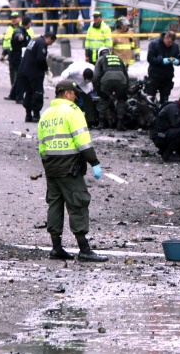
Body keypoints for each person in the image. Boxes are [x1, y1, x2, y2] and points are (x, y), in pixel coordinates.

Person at [38, 79, 108, 263]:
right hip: (69, 167)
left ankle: (56, 247)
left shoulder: (46, 114)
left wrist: (47, 164)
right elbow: (83, 140)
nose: (76, 97)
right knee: (78, 203)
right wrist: (94, 162)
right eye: (75, 93)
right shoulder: (72, 111)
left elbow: (42, 145)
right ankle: (84, 249)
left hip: (51, 166)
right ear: (67, 93)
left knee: (55, 204)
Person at [16, 32, 57, 122]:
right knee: (37, 92)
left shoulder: (34, 40)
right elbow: (40, 59)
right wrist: (46, 69)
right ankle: (36, 115)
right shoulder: (42, 43)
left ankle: (28, 114)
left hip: (24, 71)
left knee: (28, 92)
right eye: (52, 42)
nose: (51, 44)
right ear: (49, 38)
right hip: (34, 72)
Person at [93, 47, 129, 131]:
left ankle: (101, 124)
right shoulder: (118, 58)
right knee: (121, 99)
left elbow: (96, 76)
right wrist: (125, 90)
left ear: (99, 54)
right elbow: (125, 74)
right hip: (121, 80)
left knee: (104, 99)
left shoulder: (101, 59)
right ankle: (120, 124)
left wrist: (99, 91)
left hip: (106, 80)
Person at [5, 15, 35, 103]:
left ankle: (13, 95)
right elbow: (17, 37)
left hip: (17, 57)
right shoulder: (20, 32)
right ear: (28, 23)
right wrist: (19, 38)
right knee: (21, 77)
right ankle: (19, 97)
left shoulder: (24, 31)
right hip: (17, 57)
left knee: (19, 77)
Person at [146, 31, 180, 104]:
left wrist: (177, 61)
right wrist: (161, 60)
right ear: (165, 38)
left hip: (167, 76)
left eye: (171, 43)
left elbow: (178, 58)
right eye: (169, 42)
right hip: (155, 75)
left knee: (165, 99)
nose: (170, 44)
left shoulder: (174, 46)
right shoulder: (154, 44)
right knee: (150, 99)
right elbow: (150, 59)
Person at [59, 61, 96, 126]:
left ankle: (89, 121)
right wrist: (61, 87)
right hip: (71, 79)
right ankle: (67, 118)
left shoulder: (94, 69)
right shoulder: (75, 69)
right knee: (69, 98)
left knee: (88, 99)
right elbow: (64, 75)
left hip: (83, 85)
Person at [0, 11, 21, 91]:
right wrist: (3, 53)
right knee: (12, 72)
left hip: (20, 53)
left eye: (15, 18)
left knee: (20, 72)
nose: (14, 20)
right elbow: (6, 42)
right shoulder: (8, 29)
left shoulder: (22, 28)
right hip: (11, 53)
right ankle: (13, 89)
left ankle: (19, 89)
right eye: (12, 18)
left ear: (19, 18)